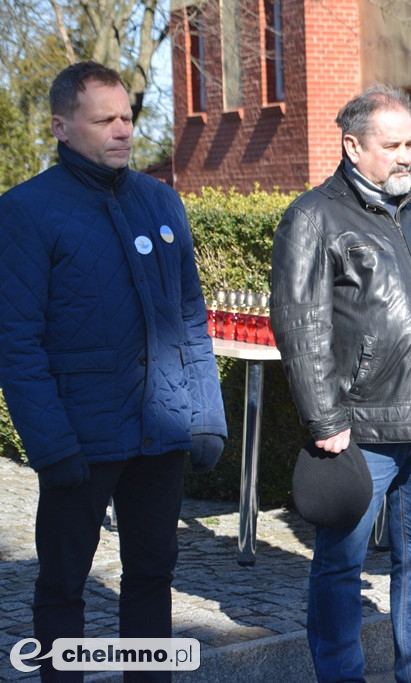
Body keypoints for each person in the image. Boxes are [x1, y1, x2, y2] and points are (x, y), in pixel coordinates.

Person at [0, 61, 227, 682]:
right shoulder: (25, 211)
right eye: (105, 120)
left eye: (127, 116)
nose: (122, 130)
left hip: (159, 435)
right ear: (62, 127)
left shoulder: (160, 201)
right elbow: (17, 343)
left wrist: (205, 417)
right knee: (63, 584)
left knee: (153, 574)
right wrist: (51, 446)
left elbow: (189, 319)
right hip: (81, 440)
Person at [270, 84, 411, 683]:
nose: (405, 156)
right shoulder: (313, 216)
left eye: (410, 144)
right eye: (391, 144)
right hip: (361, 429)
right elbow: (301, 325)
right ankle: (341, 675)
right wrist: (324, 421)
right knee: (340, 566)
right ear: (352, 145)